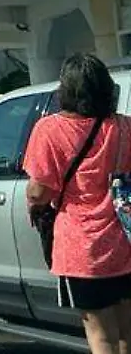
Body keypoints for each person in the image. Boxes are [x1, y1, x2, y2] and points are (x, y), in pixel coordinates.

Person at [24, 53, 131, 354]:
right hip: (125, 242)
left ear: (66, 90)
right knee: (127, 335)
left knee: (101, 338)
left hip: (84, 249)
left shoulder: (50, 130)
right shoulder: (125, 127)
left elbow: (38, 193)